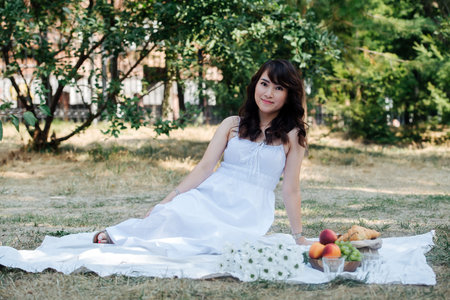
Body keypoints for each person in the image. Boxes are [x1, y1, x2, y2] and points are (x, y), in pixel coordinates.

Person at [93, 59, 311, 256]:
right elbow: (205, 168)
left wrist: (298, 235)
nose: (268, 93)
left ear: (288, 94)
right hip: (211, 195)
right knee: (175, 213)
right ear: (255, 85)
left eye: (278, 88)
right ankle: (122, 235)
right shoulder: (232, 124)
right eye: (264, 84)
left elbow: (291, 188)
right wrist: (166, 201)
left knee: (215, 239)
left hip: (248, 211)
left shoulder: (294, 135)